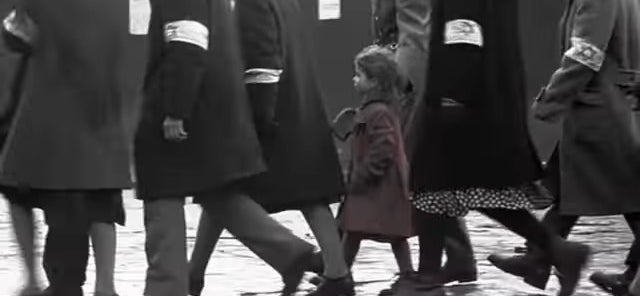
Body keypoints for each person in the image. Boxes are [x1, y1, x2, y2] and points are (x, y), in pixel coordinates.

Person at [405, 0, 592, 295]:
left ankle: (427, 273)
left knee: (430, 181)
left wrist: (452, 95)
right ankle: (558, 250)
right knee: (474, 187)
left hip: (460, 99)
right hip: (488, 97)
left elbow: (462, 34)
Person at [134, 0, 315, 295]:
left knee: (162, 196)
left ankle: (165, 287)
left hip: (186, 104)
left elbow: (187, 42)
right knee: (218, 193)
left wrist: (175, 108)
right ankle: (290, 253)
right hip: (215, 106)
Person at [187, 0, 353, 295]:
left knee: (220, 188)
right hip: (296, 105)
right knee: (309, 194)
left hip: (270, 112)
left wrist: (258, 120)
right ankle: (337, 274)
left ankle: (309, 264)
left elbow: (261, 64)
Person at [487, 0, 640, 294]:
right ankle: (540, 256)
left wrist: (552, 98)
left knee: (628, 199)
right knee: (568, 189)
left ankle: (541, 257)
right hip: (612, 105)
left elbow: (586, 55)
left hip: (599, 109)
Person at [0, 0, 142, 295]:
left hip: (52, 101)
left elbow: (17, 35)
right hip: (108, 102)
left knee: (20, 187)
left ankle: (34, 280)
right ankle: (106, 285)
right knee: (102, 194)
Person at [370, 2, 478, 294]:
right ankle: (458, 256)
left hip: (411, 75)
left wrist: (402, 81)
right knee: (427, 171)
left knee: (413, 169)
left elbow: (416, 28)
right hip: (406, 68)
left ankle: (339, 264)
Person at [336, 45, 414, 283]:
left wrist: (364, 174)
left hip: (380, 185)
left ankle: (406, 274)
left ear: (375, 82)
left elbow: (384, 146)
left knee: (389, 233)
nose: (354, 79)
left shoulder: (378, 112)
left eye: (359, 75)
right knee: (354, 230)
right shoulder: (373, 110)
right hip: (375, 185)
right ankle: (340, 273)